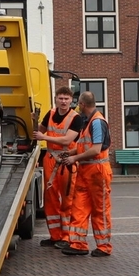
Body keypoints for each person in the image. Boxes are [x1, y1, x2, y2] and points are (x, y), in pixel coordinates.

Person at [59, 91, 112, 257]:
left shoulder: (96, 122)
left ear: (82, 104)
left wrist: (74, 157)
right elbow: (85, 146)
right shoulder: (89, 122)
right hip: (87, 172)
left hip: (97, 172)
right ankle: (78, 244)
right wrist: (70, 153)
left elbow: (96, 150)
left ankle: (104, 247)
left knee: (100, 210)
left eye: (78, 103)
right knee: (79, 207)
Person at [32, 86, 84, 248]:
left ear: (71, 100)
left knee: (67, 200)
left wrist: (43, 136)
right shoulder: (51, 114)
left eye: (66, 99)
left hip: (67, 161)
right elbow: (38, 131)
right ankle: (54, 236)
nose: (63, 101)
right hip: (50, 159)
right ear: (56, 99)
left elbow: (67, 141)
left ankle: (66, 237)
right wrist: (34, 123)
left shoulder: (76, 118)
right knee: (51, 198)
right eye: (60, 98)